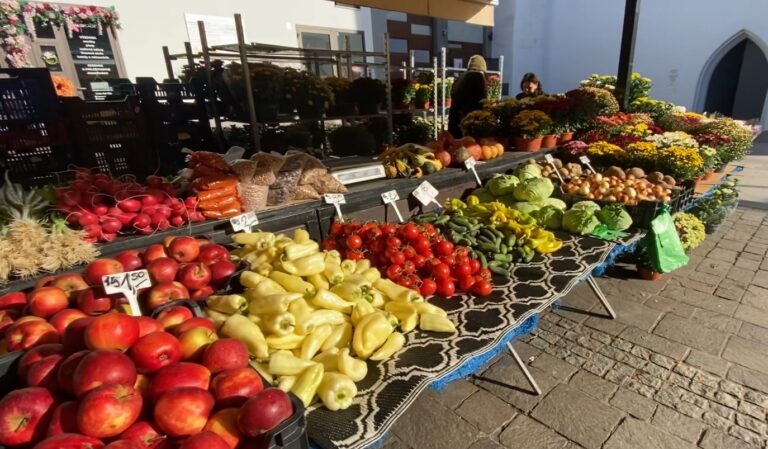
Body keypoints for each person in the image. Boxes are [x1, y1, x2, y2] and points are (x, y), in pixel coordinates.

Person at [448, 55, 488, 137]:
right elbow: (481, 101)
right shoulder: (478, 77)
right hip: (469, 126)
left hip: (455, 124)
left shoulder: (459, 79)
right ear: (482, 68)